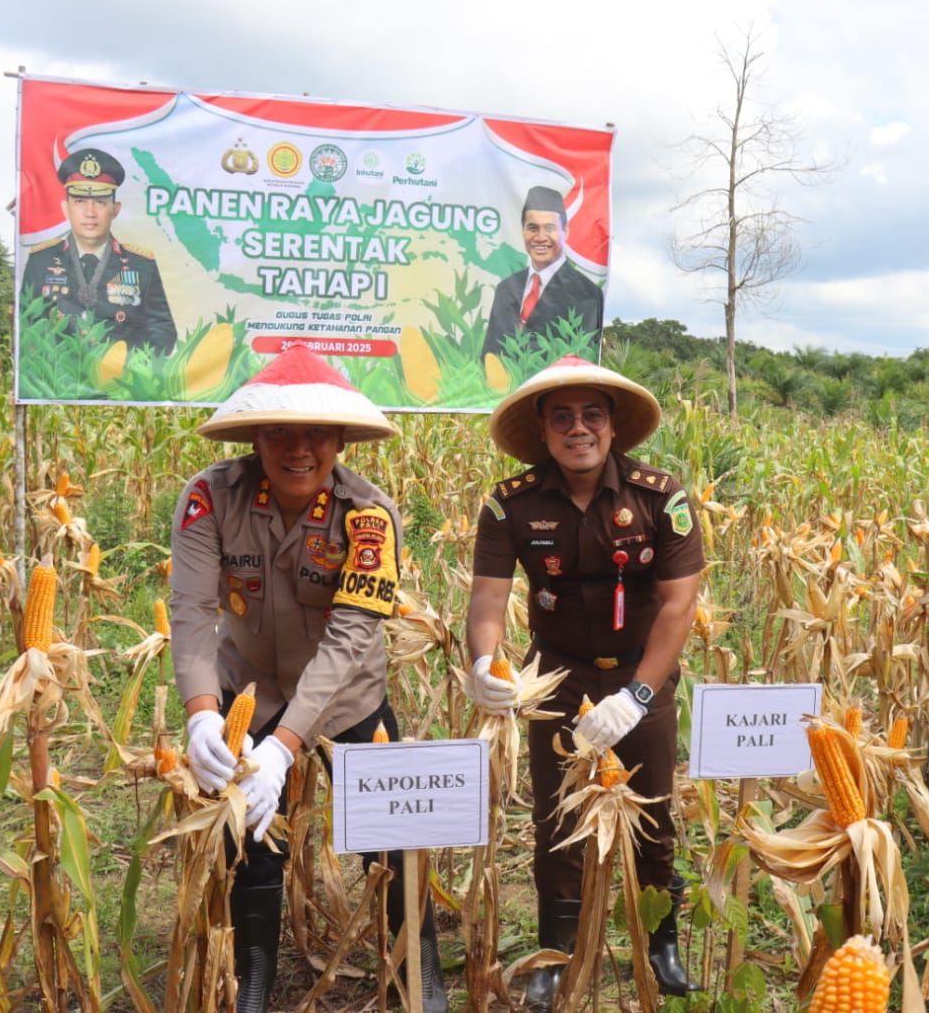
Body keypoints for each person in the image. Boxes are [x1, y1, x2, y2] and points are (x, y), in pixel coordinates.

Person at [169, 343, 447, 1013]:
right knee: (249, 838)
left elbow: (351, 637)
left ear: (342, 439)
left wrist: (284, 747)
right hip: (250, 691)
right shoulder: (211, 495)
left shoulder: (369, 516)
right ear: (254, 438)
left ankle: (419, 973)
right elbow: (191, 609)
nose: (299, 449)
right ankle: (253, 975)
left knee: (391, 839)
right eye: (279, 432)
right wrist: (205, 712)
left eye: (317, 434)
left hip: (349, 694)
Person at [466, 355, 703, 1010]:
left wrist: (639, 696)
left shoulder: (660, 497)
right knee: (554, 817)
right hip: (557, 676)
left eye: (591, 415)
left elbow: (678, 607)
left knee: (653, 812)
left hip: (638, 676)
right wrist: (484, 661)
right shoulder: (509, 504)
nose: (578, 428)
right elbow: (487, 599)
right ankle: (555, 953)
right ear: (541, 430)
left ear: (612, 427)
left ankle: (661, 943)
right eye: (562, 416)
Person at [20, 147, 178, 355]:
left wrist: (125, 364)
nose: (90, 213)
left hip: (120, 384)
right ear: (66, 208)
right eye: (79, 202)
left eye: (101, 202)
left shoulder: (142, 265)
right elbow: (25, 325)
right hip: (59, 383)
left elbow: (163, 331)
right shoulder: (41, 261)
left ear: (116, 209)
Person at [480, 186, 604, 360]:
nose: (540, 237)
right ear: (523, 230)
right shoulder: (506, 289)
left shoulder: (586, 294)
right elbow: (489, 356)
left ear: (565, 232)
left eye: (549, 228)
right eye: (533, 228)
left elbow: (581, 358)